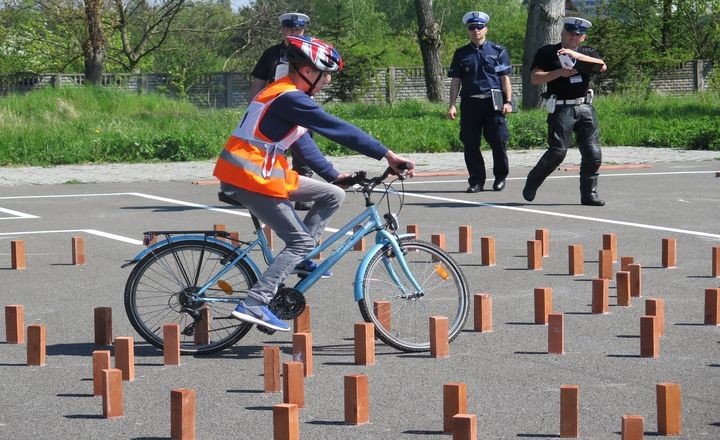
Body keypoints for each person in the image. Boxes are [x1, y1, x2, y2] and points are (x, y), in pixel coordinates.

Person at [214, 35, 416, 332]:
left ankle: (298, 259)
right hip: (250, 176)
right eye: (326, 74)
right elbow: (338, 129)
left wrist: (334, 176)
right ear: (308, 70)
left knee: (332, 195)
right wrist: (386, 155)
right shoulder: (288, 97)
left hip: (266, 173)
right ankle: (256, 301)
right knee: (300, 240)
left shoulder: (286, 95)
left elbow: (303, 144)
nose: (328, 81)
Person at [522, 17, 608, 206]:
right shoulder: (547, 52)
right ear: (562, 33)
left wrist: (575, 55)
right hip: (561, 106)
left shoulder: (587, 53)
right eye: (569, 33)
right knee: (558, 152)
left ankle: (589, 194)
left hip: (584, 106)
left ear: (583, 38)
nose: (573, 37)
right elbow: (535, 78)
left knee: (593, 153)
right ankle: (533, 180)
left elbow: (602, 66)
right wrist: (559, 73)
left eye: (578, 35)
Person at [249, 12, 316, 210]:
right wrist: (252, 108)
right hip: (274, 109)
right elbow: (258, 82)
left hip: (302, 108)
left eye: (298, 29)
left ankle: (303, 195)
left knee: (304, 154)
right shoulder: (271, 54)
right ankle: (270, 191)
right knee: (271, 152)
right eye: (290, 29)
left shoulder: (311, 52)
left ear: (304, 30)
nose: (294, 32)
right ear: (282, 30)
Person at [447, 11, 514, 193]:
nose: (476, 31)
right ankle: (476, 181)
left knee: (499, 141)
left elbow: (504, 78)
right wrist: (452, 104)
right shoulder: (461, 53)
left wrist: (508, 102)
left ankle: (500, 177)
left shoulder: (498, 51)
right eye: (472, 28)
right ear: (468, 31)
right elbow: (455, 81)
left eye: (479, 27)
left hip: (494, 103)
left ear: (486, 29)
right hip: (470, 103)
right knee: (470, 143)